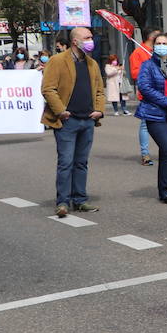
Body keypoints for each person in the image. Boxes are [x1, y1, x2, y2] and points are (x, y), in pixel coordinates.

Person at [40, 27, 105, 218]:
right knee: (66, 162)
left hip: (87, 121)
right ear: (75, 42)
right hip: (67, 121)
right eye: (87, 38)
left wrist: (99, 111)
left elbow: (100, 90)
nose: (91, 40)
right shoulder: (57, 61)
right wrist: (61, 111)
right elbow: (48, 88)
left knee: (81, 163)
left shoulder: (92, 63)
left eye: (91, 37)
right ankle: (62, 202)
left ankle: (80, 200)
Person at [135, 33, 167, 204]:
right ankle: (166, 190)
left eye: (165, 43)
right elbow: (144, 87)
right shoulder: (148, 65)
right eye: (158, 43)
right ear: (153, 46)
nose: (161, 46)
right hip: (154, 113)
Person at [130, 31, 156, 165]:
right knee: (145, 124)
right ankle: (145, 154)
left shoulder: (158, 51)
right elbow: (135, 74)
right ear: (151, 36)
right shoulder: (138, 53)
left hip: (165, 93)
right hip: (148, 94)